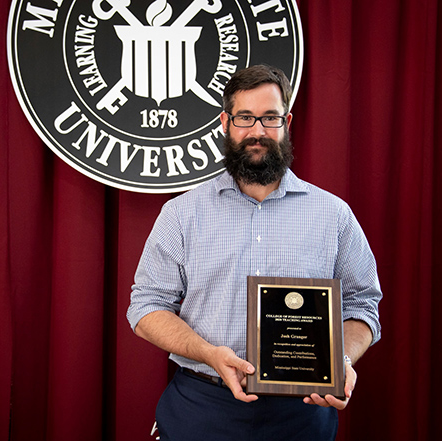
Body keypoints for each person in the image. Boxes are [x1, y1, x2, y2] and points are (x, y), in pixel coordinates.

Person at [127, 64, 382, 441]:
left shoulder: (333, 215)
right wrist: (208, 353)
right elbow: (145, 307)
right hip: (202, 407)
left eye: (270, 118)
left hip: (302, 416)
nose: (258, 131)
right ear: (225, 122)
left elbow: (362, 304)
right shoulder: (181, 214)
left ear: (287, 122)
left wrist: (340, 361)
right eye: (245, 117)